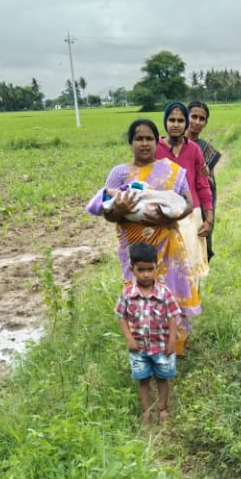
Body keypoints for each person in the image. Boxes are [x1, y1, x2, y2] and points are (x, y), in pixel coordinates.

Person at [86, 117, 200, 355]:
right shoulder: (119, 173)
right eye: (139, 138)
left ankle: (174, 346)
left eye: (149, 138)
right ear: (131, 142)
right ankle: (144, 347)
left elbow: (188, 203)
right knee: (139, 296)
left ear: (156, 141)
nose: (144, 143)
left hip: (167, 247)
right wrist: (120, 210)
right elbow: (108, 213)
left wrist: (167, 218)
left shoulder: (171, 170)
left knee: (169, 293)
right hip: (133, 250)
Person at [115, 241, 179, 425]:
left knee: (162, 378)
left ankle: (163, 409)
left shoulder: (165, 293)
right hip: (139, 348)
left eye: (150, 269)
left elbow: (173, 317)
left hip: (161, 346)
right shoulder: (127, 294)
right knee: (142, 379)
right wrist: (129, 338)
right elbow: (122, 316)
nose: (145, 274)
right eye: (141, 269)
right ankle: (146, 411)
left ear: (156, 267)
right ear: (132, 268)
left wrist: (172, 341)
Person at [155, 102, 213, 287]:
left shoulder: (194, 150)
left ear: (185, 123)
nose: (176, 124)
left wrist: (209, 219)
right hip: (163, 214)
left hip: (190, 215)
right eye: (171, 119)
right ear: (165, 121)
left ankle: (187, 310)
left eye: (180, 120)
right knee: (164, 264)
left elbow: (203, 186)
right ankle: (166, 309)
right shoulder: (156, 148)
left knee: (189, 266)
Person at [187, 100, 221, 262]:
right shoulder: (171, 144)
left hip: (198, 208)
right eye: (194, 116)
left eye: (202, 119)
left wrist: (205, 175)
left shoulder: (206, 149)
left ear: (206, 123)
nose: (197, 122)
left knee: (197, 256)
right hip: (176, 209)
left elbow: (211, 187)